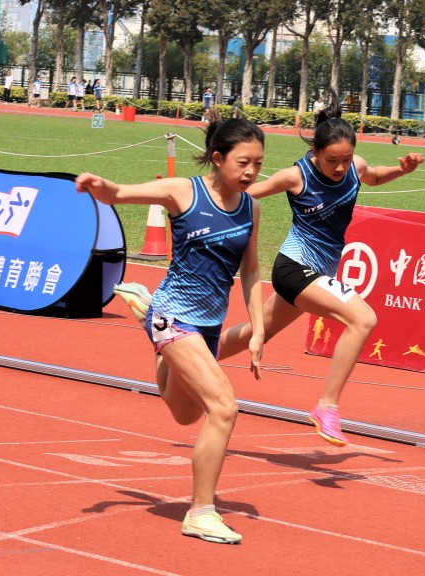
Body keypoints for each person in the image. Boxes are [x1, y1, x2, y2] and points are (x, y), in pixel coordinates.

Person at [77, 110, 266, 544]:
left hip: (209, 324)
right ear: (218, 158)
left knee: (185, 415)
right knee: (224, 408)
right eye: (243, 163)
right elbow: (120, 192)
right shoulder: (184, 191)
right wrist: (99, 186)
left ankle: (150, 326)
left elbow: (253, 271)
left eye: (258, 163)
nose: (251, 172)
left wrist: (257, 329)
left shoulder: (251, 208)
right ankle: (201, 513)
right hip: (175, 316)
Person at [215, 89, 424, 446]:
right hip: (294, 268)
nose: (340, 167)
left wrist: (401, 170)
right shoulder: (295, 176)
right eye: (331, 161)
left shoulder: (355, 167)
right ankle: (327, 406)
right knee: (363, 319)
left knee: (257, 331)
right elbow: (243, 194)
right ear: (315, 152)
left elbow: (373, 176)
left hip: (319, 273)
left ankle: (189, 355)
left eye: (346, 159)